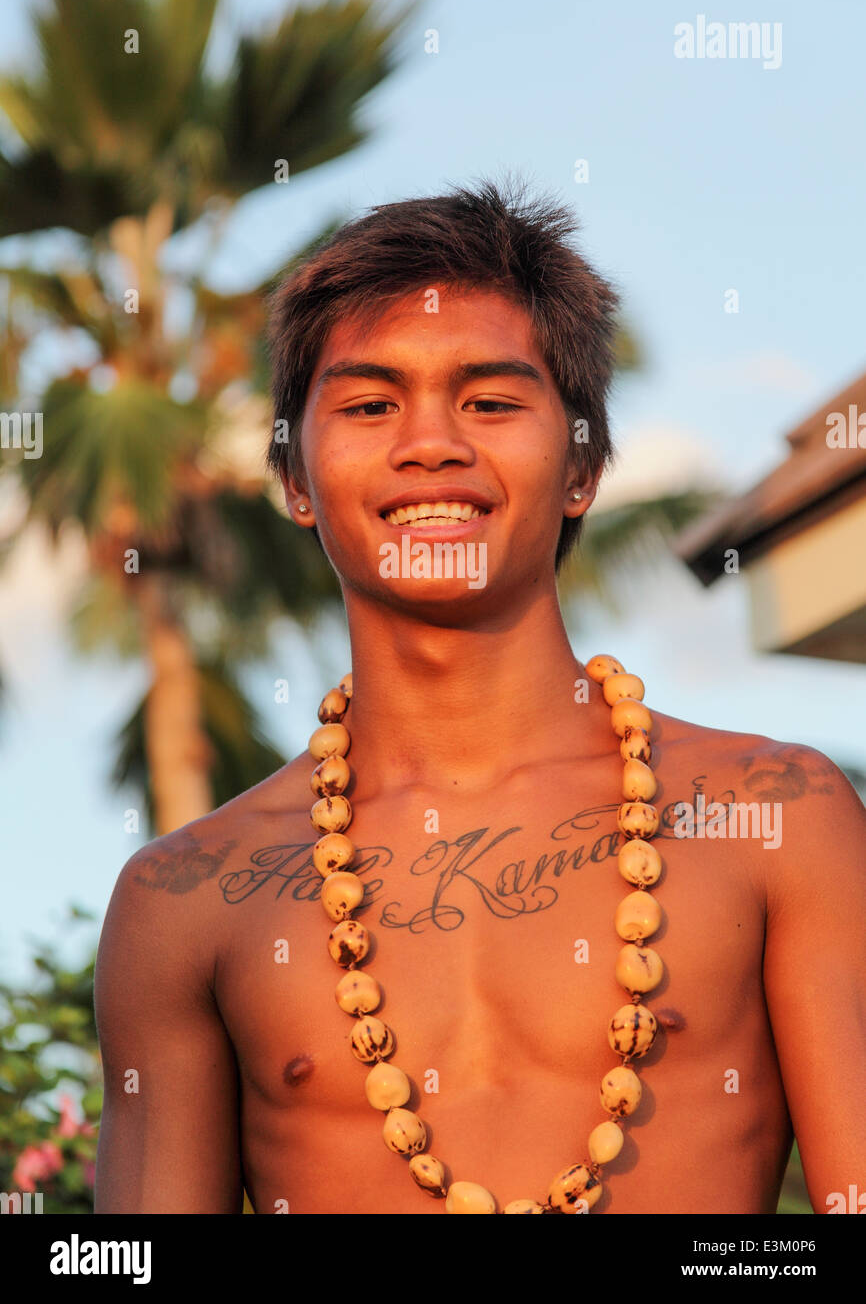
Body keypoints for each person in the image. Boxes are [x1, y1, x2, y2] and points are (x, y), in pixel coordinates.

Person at [94, 178, 866, 1214]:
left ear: (581, 464)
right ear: (293, 478)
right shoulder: (185, 899)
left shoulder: (772, 814)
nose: (431, 445)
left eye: (490, 402)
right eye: (368, 405)